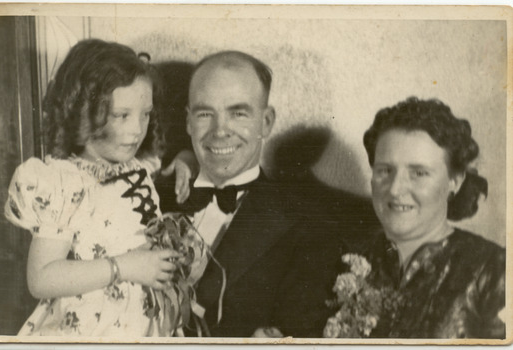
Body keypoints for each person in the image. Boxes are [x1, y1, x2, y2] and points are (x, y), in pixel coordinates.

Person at [156, 50, 377, 338]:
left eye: (238, 113)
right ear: (188, 121)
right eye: (205, 113)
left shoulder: (309, 229)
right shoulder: (148, 194)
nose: (220, 131)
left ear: (267, 122)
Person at [4, 39, 194, 337]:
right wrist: (124, 267)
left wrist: (186, 160)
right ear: (83, 112)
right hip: (96, 330)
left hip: (147, 326)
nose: (137, 130)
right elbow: (40, 278)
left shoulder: (137, 166)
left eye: (145, 114)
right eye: (122, 116)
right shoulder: (64, 183)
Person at [358, 97, 505, 338]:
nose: (395, 189)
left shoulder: (494, 270)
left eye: (418, 173)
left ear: (454, 181)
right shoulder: (346, 262)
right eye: (385, 170)